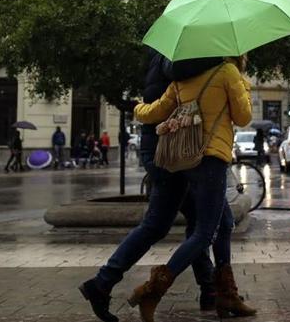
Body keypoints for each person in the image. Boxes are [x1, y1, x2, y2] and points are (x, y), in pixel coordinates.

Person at [79, 50, 222, 322]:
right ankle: (102, 283)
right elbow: (177, 76)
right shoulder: (174, 58)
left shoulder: (166, 55)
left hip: (170, 146)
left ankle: (210, 289)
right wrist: (217, 59)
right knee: (161, 225)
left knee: (197, 222)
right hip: (169, 149)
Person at [129, 54, 256, 321]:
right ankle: (153, 289)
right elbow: (243, 117)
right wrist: (245, 87)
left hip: (189, 158)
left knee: (226, 222)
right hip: (212, 158)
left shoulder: (182, 78)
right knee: (204, 233)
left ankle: (226, 295)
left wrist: (138, 109)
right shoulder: (227, 73)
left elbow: (156, 111)